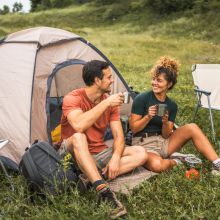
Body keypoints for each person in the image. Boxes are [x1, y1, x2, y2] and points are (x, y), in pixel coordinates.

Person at [57, 60, 148, 219]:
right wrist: (106, 103)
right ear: (97, 81)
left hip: (98, 153)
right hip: (72, 153)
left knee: (141, 153)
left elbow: (119, 136)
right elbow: (78, 125)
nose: (112, 80)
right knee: (79, 137)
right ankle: (104, 192)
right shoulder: (72, 98)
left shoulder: (110, 103)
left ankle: (89, 177)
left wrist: (115, 158)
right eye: (109, 77)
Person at [130, 56, 220, 175]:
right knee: (158, 165)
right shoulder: (142, 98)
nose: (154, 83)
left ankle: (217, 163)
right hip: (143, 143)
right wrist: (148, 117)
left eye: (159, 80)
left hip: (164, 142)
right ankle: (177, 161)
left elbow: (166, 134)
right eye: (153, 79)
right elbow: (133, 128)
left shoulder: (172, 105)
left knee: (192, 127)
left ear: (169, 84)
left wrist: (166, 122)